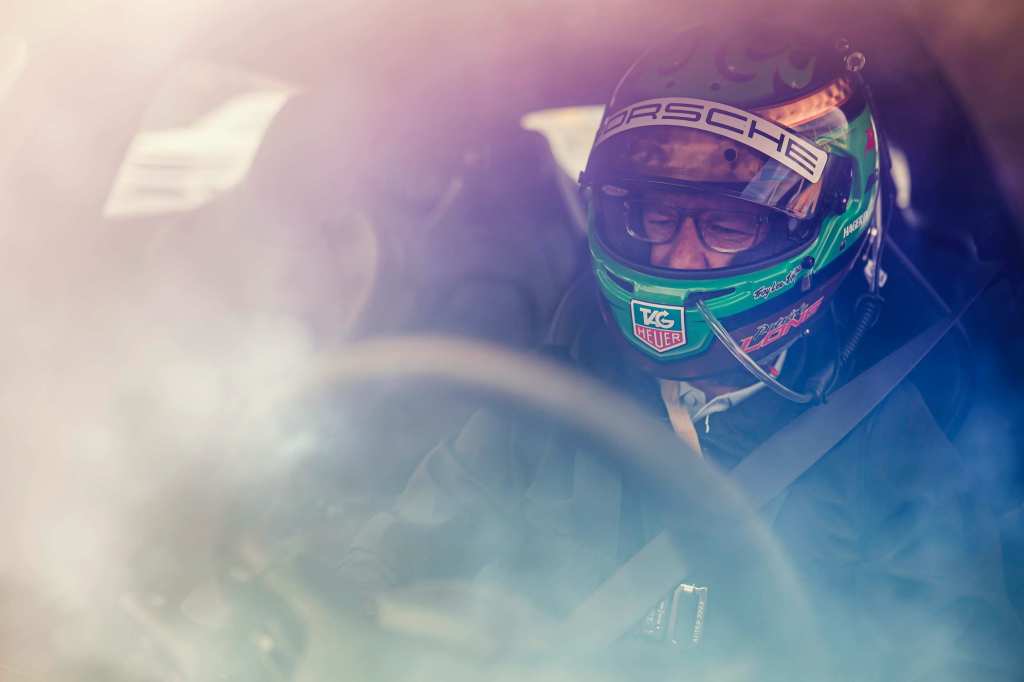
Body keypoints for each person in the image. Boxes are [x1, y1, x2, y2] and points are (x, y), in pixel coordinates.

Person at [332, 20, 1023, 680]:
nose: (678, 258)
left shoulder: (901, 443)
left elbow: (960, 653)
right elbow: (388, 558)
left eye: (729, 224)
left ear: (823, 224)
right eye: (656, 216)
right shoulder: (550, 403)